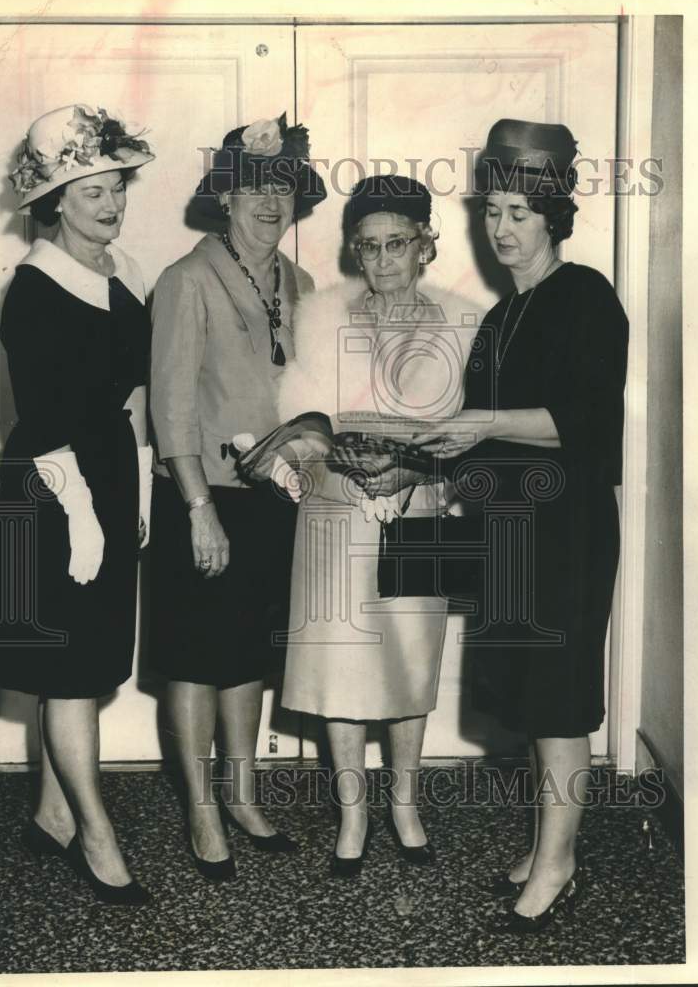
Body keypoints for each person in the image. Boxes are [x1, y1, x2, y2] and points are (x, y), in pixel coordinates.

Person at [414, 119, 629, 931]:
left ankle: (559, 860)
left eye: (517, 213)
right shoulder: (501, 317)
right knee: (530, 697)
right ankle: (546, 843)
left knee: (560, 698)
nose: (500, 228)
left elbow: (584, 421)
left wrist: (479, 425)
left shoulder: (584, 297)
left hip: (564, 530)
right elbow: (477, 431)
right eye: (491, 212)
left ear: (552, 219)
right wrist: (414, 456)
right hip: (509, 529)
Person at [276, 175, 480, 875]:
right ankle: (351, 816)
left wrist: (417, 473)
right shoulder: (321, 318)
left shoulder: (462, 324)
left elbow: (472, 437)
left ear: (426, 244)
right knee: (338, 667)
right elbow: (297, 426)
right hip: (336, 512)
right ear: (352, 252)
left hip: (417, 513)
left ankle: (404, 804)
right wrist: (334, 456)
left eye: (397, 243)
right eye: (367, 247)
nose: (382, 259)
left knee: (408, 662)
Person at [148, 114, 326, 880]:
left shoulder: (303, 283)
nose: (268, 201)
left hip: (275, 499)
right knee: (195, 657)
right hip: (204, 496)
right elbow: (170, 405)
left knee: (247, 654)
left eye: (282, 187)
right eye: (252, 186)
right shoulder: (186, 279)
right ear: (224, 196)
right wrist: (197, 509)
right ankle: (200, 809)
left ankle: (244, 794)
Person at [0, 104, 155, 904]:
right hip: (51, 489)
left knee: (82, 670)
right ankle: (96, 835)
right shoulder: (34, 288)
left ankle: (52, 814)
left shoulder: (118, 272)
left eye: (116, 185)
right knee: (70, 676)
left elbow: (129, 396)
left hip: (107, 475)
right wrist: (84, 515)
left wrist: (143, 482)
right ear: (54, 201)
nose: (111, 202)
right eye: (91, 190)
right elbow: (45, 418)